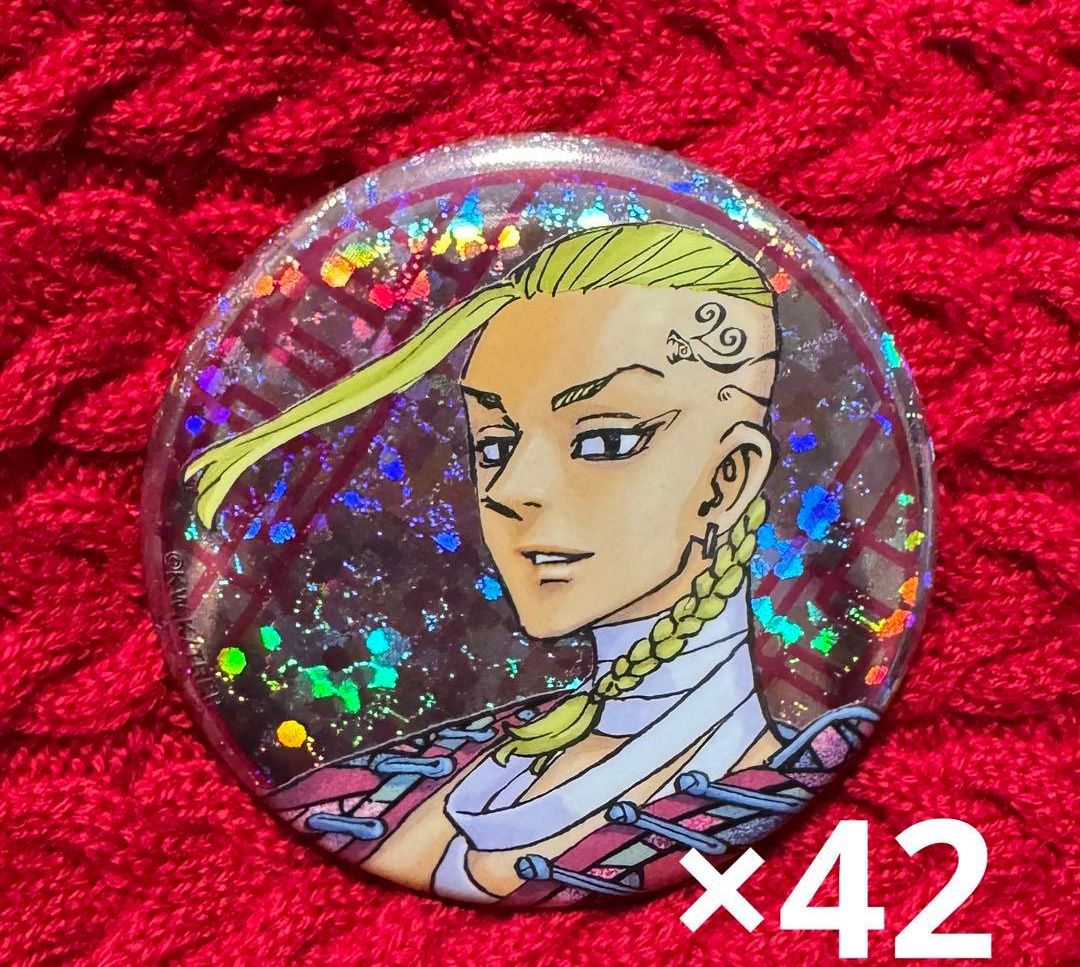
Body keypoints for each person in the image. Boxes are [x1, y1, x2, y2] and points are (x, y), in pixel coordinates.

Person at [187, 222, 789, 901]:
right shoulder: (474, 765)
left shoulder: (751, 789)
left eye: (603, 439)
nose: (510, 489)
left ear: (728, 480)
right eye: (496, 445)